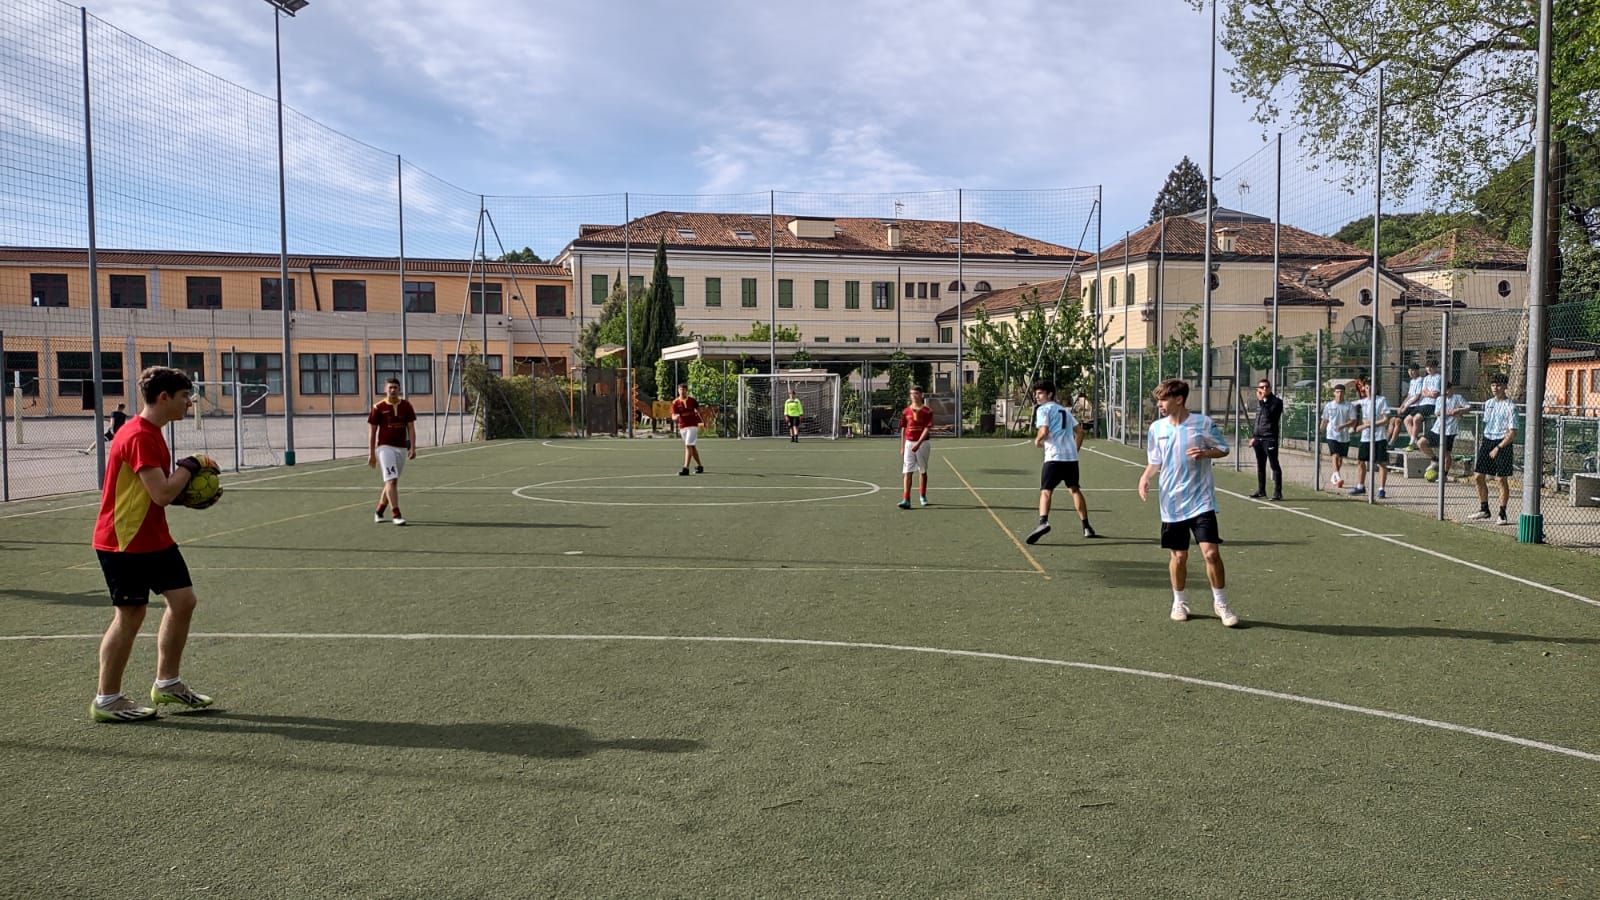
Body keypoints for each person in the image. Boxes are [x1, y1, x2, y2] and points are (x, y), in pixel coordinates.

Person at [89, 366, 215, 722]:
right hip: (123, 541)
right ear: (164, 397)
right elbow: (160, 493)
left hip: (152, 537)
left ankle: (168, 683)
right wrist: (191, 467)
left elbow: (157, 492)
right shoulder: (140, 435)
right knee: (130, 615)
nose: (189, 403)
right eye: (184, 396)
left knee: (183, 601)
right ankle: (107, 700)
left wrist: (187, 494)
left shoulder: (153, 432)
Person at [1138, 379, 1239, 628]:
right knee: (1179, 556)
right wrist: (1145, 477)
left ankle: (1221, 603)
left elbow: (1224, 449)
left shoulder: (1202, 423)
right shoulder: (1156, 429)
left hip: (1201, 500)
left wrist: (1206, 453)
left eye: (1163, 399)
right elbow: (1155, 461)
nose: (1159, 404)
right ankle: (1179, 602)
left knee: (1211, 553)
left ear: (1179, 399)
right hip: (1171, 503)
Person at [1024, 379, 1095, 543]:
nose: (1037, 396)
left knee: (1046, 491)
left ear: (1050, 394)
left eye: (1040, 393)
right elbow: (1080, 432)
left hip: (1054, 458)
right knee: (1075, 490)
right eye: (1036, 393)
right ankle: (1086, 527)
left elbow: (1044, 430)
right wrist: (1074, 450)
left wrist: (1037, 440)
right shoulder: (1065, 411)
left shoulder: (1043, 409)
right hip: (1070, 459)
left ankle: (1043, 522)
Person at [1468, 375, 1519, 525]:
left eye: (1498, 385)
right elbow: (1487, 423)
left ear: (1505, 387)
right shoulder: (1488, 403)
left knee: (1501, 479)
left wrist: (1498, 447)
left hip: (1502, 442)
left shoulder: (1511, 406)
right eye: (1493, 385)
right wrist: (1487, 444)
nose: (1495, 388)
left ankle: (1502, 513)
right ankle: (1484, 509)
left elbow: (1513, 432)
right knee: (1478, 476)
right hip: (1487, 440)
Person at [367, 377, 417, 525]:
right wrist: (371, 454)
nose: (393, 390)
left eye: (395, 387)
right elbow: (372, 431)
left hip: (401, 448)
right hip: (384, 447)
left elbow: (411, 428)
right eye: (390, 387)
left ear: (399, 389)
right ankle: (396, 514)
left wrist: (412, 447)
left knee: (391, 482)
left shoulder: (406, 406)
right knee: (392, 480)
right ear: (385, 390)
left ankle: (379, 511)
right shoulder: (378, 407)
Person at [1416, 380, 1468, 479]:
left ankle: (1444, 475)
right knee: (1421, 443)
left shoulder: (1458, 398)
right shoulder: (1439, 399)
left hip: (1449, 430)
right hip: (1437, 428)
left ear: (1451, 388)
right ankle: (1434, 459)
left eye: (1448, 389)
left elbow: (1469, 407)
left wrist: (1458, 410)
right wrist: (1451, 413)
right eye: (1444, 390)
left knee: (1446, 454)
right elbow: (1437, 413)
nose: (1446, 392)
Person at [1350, 379, 1392, 499]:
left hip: (1379, 437)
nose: (1369, 390)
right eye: (1367, 388)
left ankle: (1381, 489)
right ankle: (1360, 486)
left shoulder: (1381, 400)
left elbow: (1386, 419)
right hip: (1366, 437)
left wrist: (1370, 424)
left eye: (1372, 388)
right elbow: (1349, 404)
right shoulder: (1363, 402)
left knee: (1381, 463)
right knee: (1361, 461)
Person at [897, 385, 934, 509]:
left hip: (923, 444)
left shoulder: (927, 411)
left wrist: (918, 443)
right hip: (909, 443)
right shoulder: (906, 411)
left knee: (922, 470)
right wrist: (902, 446)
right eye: (912, 393)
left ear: (921, 395)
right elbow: (903, 429)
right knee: (907, 471)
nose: (914, 396)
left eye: (916, 393)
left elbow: (927, 428)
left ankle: (922, 496)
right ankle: (906, 499)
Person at [1247, 380, 1284, 500]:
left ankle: (1278, 492)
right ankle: (1261, 490)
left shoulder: (1276, 402)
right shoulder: (1260, 403)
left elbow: (1270, 416)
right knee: (1260, 465)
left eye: (1266, 387)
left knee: (1274, 465)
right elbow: (1258, 420)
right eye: (1261, 387)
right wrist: (1254, 436)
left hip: (1270, 438)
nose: (1264, 389)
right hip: (1258, 439)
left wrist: (1262, 401)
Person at [1319, 384, 1358, 488]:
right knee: (1335, 455)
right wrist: (1320, 431)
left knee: (1340, 458)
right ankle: (1337, 476)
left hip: (1344, 436)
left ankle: (1334, 476)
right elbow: (1325, 420)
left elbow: (1353, 421)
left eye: (1341, 392)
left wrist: (1343, 426)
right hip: (1331, 435)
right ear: (1334, 393)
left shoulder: (1349, 406)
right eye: (1337, 392)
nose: (1339, 394)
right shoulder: (1329, 406)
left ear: (1344, 393)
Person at [671, 383, 704, 475]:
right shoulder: (675, 402)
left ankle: (686, 468)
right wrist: (676, 417)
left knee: (688, 445)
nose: (682, 391)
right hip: (683, 426)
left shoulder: (692, 400)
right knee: (692, 446)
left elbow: (699, 411)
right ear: (678, 390)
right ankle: (700, 466)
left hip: (692, 425)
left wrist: (702, 422)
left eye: (684, 389)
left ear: (686, 390)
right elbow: (673, 416)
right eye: (680, 389)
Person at [1395, 364, 1429, 448]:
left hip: (1415, 406)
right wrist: (1402, 406)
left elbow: (1417, 397)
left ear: (1417, 370)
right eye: (1409, 370)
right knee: (1396, 420)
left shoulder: (1421, 380)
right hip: (1409, 405)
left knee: (1402, 421)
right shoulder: (1412, 381)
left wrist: (1406, 407)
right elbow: (1409, 395)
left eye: (1412, 370)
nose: (1410, 372)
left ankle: (1414, 442)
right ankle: (1415, 441)